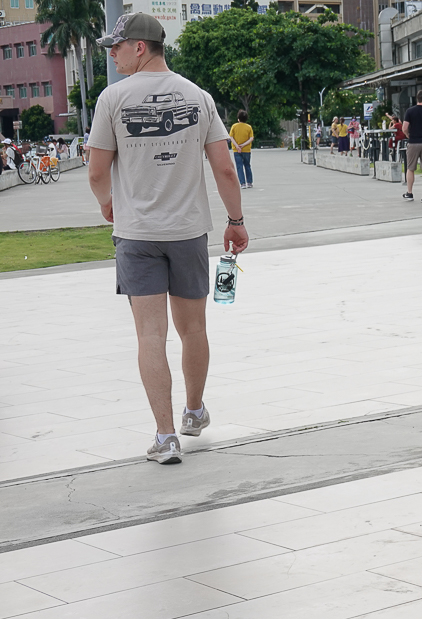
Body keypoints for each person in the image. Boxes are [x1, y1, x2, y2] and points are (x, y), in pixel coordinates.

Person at [88, 12, 249, 465]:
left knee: (150, 335)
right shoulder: (199, 97)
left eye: (116, 46)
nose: (113, 55)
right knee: (193, 328)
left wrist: (108, 203)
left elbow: (97, 172)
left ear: (139, 47)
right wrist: (236, 220)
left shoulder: (112, 99)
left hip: (136, 235)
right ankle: (194, 412)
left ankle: (165, 437)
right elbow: (224, 169)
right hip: (188, 232)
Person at [229, 109, 254, 189]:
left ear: (238, 119)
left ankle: (242, 183)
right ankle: (249, 182)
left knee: (239, 166)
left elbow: (231, 137)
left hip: (236, 150)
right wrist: (243, 145)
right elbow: (251, 138)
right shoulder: (249, 127)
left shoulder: (234, 126)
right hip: (246, 150)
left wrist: (237, 146)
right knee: (247, 165)